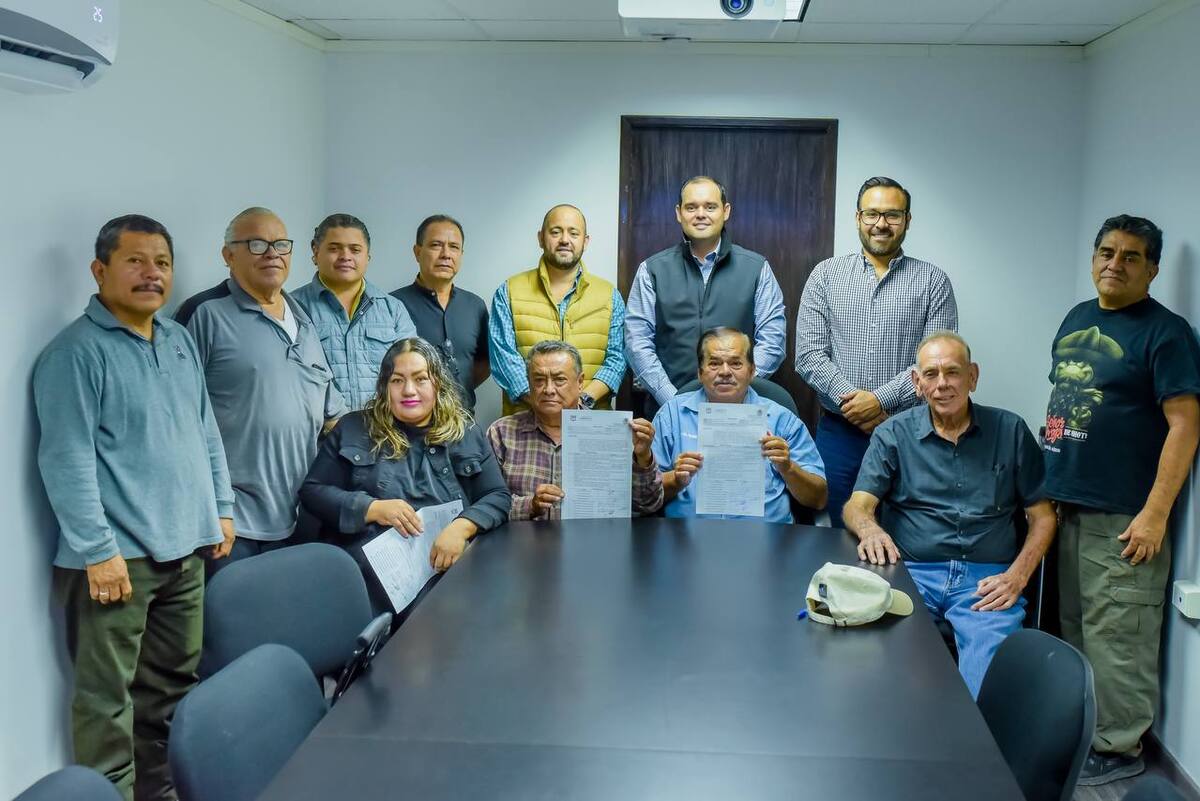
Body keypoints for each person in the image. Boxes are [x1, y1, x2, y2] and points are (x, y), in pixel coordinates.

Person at [34, 215, 235, 801]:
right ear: (100, 271)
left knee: (172, 690)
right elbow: (65, 460)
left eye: (163, 263)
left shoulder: (176, 339)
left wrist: (219, 507)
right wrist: (99, 552)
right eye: (136, 261)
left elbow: (206, 432)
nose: (152, 274)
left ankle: (160, 792)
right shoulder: (74, 354)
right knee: (106, 701)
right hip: (117, 560)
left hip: (186, 549)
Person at [1042, 215, 1200, 785]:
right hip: (1069, 504)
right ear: (1093, 258)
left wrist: (1156, 513)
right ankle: (1085, 730)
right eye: (1107, 251)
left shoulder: (1167, 332)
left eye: (1132, 256)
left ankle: (1118, 748)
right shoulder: (1076, 319)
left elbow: (1184, 424)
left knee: (1119, 635)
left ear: (1152, 269)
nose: (1115, 263)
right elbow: (1063, 400)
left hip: (1126, 514)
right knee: (1078, 629)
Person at [842, 332, 1055, 699]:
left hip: (987, 580)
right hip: (913, 573)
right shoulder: (893, 433)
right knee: (879, 659)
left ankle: (972, 754)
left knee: (987, 674)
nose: (942, 384)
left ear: (972, 376)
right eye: (931, 374)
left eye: (953, 373)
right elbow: (856, 505)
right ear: (917, 382)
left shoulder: (1011, 431)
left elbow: (1043, 517)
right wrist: (870, 530)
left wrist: (1017, 578)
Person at [176, 207, 346, 572]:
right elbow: (177, 419)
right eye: (257, 244)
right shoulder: (204, 314)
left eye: (281, 244)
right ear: (228, 255)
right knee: (233, 625)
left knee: (285, 622)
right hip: (232, 524)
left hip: (299, 515)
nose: (272, 253)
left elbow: (331, 416)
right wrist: (214, 511)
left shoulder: (302, 318)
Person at [300, 338, 511, 614]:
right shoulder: (353, 428)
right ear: (385, 386)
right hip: (367, 585)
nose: (409, 390)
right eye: (398, 380)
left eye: (420, 379)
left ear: (437, 383)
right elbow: (313, 492)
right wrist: (371, 508)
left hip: (444, 578)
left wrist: (462, 528)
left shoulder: (464, 431)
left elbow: (497, 495)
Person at [795, 176, 958, 527]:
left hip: (908, 432)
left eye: (892, 214)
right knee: (835, 533)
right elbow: (808, 355)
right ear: (857, 218)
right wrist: (856, 406)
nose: (881, 223)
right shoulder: (825, 275)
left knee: (904, 534)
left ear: (907, 220)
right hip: (839, 434)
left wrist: (880, 401)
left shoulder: (933, 282)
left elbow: (937, 364)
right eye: (871, 213)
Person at [625, 176, 787, 414]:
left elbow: (773, 342)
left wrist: (735, 390)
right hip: (668, 411)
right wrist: (673, 401)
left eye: (710, 206)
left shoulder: (756, 268)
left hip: (740, 412)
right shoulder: (652, 270)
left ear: (726, 211)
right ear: (679, 213)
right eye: (691, 207)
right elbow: (636, 343)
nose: (701, 214)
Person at [652, 327, 826, 522]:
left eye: (735, 363)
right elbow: (643, 496)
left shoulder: (781, 419)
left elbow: (818, 499)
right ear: (700, 373)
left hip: (768, 541)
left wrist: (788, 468)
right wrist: (676, 479)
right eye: (714, 363)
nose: (725, 372)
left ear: (752, 371)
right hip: (686, 539)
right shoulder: (672, 415)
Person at [488, 340, 662, 520]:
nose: (548, 389)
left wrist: (643, 458)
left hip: (593, 543)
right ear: (529, 383)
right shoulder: (502, 433)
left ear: (579, 382)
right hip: (523, 544)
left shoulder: (613, 432)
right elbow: (485, 503)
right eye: (539, 380)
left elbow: (648, 504)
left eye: (559, 380)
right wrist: (530, 505)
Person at [488, 204, 626, 415]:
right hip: (526, 425)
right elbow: (504, 358)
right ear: (541, 238)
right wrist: (543, 402)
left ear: (585, 241)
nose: (564, 239)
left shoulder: (609, 295)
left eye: (573, 233)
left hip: (590, 421)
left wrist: (583, 401)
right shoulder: (509, 291)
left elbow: (617, 358)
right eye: (555, 232)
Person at [292, 213, 417, 409]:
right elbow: (290, 377)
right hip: (320, 435)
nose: (345, 257)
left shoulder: (393, 310)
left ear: (368, 256)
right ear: (315, 252)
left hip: (383, 431)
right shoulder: (292, 308)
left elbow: (411, 372)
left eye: (355, 249)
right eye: (334, 249)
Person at [392, 214, 490, 414]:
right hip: (409, 427)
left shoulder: (475, 305)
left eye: (454, 247)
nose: (446, 254)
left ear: (461, 254)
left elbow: (484, 361)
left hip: (463, 423)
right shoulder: (392, 305)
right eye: (436, 245)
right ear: (417, 252)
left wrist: (455, 388)